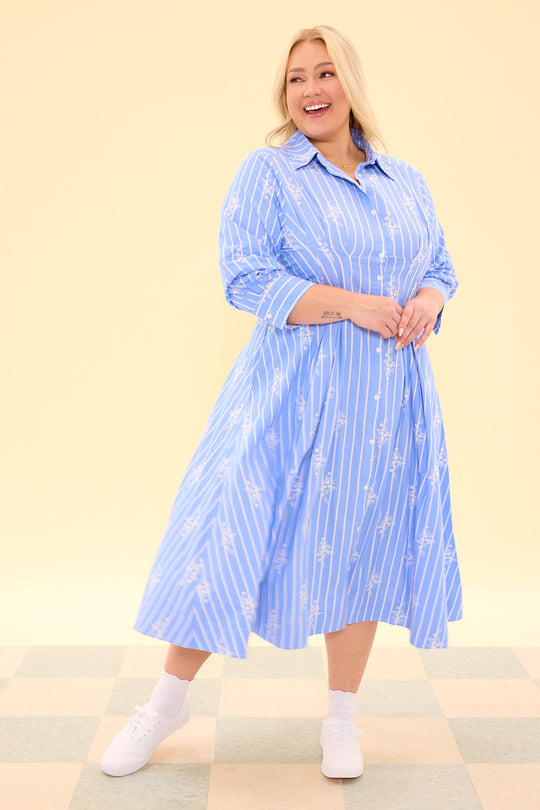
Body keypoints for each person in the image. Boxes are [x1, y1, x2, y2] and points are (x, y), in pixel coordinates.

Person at [101, 24, 462, 781]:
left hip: (382, 402)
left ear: (350, 84)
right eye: (296, 78)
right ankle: (166, 700)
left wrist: (429, 298)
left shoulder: (406, 180)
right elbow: (245, 278)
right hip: (287, 391)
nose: (310, 91)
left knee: (358, 542)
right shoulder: (268, 174)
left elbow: (438, 265)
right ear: (284, 93)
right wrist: (353, 305)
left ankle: (341, 718)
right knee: (227, 530)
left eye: (325, 73)